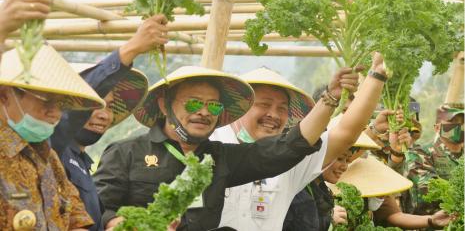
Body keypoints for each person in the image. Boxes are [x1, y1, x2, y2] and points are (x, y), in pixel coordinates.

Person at [93, 60, 366, 231]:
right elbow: (96, 209)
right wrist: (118, 222)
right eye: (193, 102)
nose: (203, 112)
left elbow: (285, 148)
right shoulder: (126, 153)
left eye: (213, 105)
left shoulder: (219, 157)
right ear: (165, 104)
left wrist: (330, 98)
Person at [210, 55, 387, 231]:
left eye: (282, 108)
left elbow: (345, 134)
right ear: (241, 106)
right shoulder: (210, 144)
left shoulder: (291, 158)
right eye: (264, 104)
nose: (274, 114)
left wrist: (377, 75)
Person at [0, 0, 106, 230]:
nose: (56, 113)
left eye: (61, 104)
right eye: (46, 101)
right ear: (5, 96)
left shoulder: (48, 159)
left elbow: (76, 219)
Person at [50, 12, 168, 231]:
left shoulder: (82, 160)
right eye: (95, 104)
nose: (103, 114)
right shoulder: (51, 148)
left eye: (111, 106)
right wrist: (130, 49)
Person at [327, 155, 451, 230]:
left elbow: (396, 216)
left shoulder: (377, 186)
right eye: (340, 159)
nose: (382, 195)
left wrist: (431, 220)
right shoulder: (327, 194)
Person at [404, 104, 464, 215]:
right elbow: (429, 189)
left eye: (463, 122)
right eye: (454, 122)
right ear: (437, 127)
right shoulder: (420, 153)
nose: (461, 126)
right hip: (431, 223)